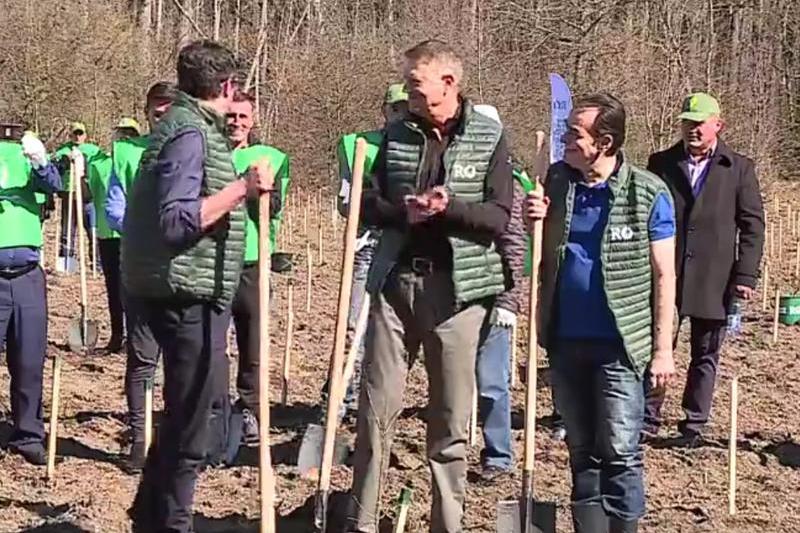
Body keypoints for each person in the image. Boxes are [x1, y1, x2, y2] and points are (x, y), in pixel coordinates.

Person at [345, 40, 513, 533]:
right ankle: (362, 520)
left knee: (450, 420)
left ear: (449, 83)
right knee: (375, 409)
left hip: (458, 296)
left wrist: (450, 208)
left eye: (416, 84)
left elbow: (500, 217)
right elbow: (368, 204)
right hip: (397, 285)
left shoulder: (489, 137)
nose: (409, 92)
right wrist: (403, 212)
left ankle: (447, 523)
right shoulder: (395, 135)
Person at [121, 41, 272, 532]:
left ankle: (148, 518)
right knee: (193, 424)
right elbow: (177, 220)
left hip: (176, 287)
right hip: (184, 295)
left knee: (183, 414)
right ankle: (173, 525)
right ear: (227, 87)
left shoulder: (180, 127)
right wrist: (240, 190)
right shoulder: (190, 135)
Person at [525, 93, 677, 533]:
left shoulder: (647, 192)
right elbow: (534, 248)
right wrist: (532, 216)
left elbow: (665, 274)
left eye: (574, 134)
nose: (565, 140)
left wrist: (663, 349)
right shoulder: (555, 181)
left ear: (604, 143)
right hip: (564, 339)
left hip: (620, 345)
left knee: (620, 450)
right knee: (580, 448)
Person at [643, 93, 765, 446]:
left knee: (706, 353)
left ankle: (693, 425)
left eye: (699, 123)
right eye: (687, 123)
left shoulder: (739, 168)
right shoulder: (661, 163)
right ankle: (648, 418)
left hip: (715, 277)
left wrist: (745, 276)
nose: (692, 130)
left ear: (717, 125)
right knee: (658, 344)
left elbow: (753, 226)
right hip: (667, 272)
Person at [104, 82, 177, 470]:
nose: (161, 116)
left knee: (183, 361)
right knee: (142, 358)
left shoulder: (193, 149)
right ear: (146, 112)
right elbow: (114, 209)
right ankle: (139, 437)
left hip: (184, 272)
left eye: (169, 109)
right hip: (141, 268)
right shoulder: (127, 153)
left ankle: (175, 439)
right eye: (156, 110)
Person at [326, 82, 408, 418]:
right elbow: (346, 202)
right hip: (369, 245)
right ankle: (338, 398)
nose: (401, 115)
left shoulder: (425, 147)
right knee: (352, 326)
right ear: (385, 110)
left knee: (393, 333)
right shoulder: (359, 146)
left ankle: (375, 401)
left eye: (407, 108)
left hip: (408, 249)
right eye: (395, 108)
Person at [227, 88, 289, 444]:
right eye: (231, 116)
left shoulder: (271, 158)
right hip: (212, 262)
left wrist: (259, 190)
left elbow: (274, 208)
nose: (236, 123)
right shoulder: (207, 152)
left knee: (252, 343)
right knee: (208, 343)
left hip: (251, 262)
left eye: (242, 117)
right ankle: (212, 410)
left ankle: (249, 408)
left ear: (252, 121)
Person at [469, 104, 527, 483]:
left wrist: (508, 300)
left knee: (491, 381)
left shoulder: (510, 183)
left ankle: (499, 455)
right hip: (455, 292)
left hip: (493, 294)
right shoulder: (457, 175)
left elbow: (515, 244)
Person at [0, 122, 62, 465]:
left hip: (27, 276)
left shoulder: (26, 156)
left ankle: (28, 434)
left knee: (29, 359)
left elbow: (54, 185)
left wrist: (40, 162)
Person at [85, 118, 142, 353]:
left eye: (130, 133)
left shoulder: (140, 159)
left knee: (133, 289)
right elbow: (89, 194)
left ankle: (134, 337)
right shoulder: (99, 163)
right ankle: (117, 335)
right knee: (113, 287)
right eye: (121, 132)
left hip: (132, 235)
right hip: (106, 233)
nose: (124, 137)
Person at [53, 122, 103, 262]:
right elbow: (53, 164)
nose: (78, 136)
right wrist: (63, 160)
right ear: (70, 135)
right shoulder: (63, 150)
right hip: (69, 195)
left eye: (80, 133)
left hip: (88, 196)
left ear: (85, 135)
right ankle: (66, 262)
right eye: (75, 133)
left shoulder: (93, 150)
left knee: (93, 230)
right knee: (67, 231)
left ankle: (96, 263)